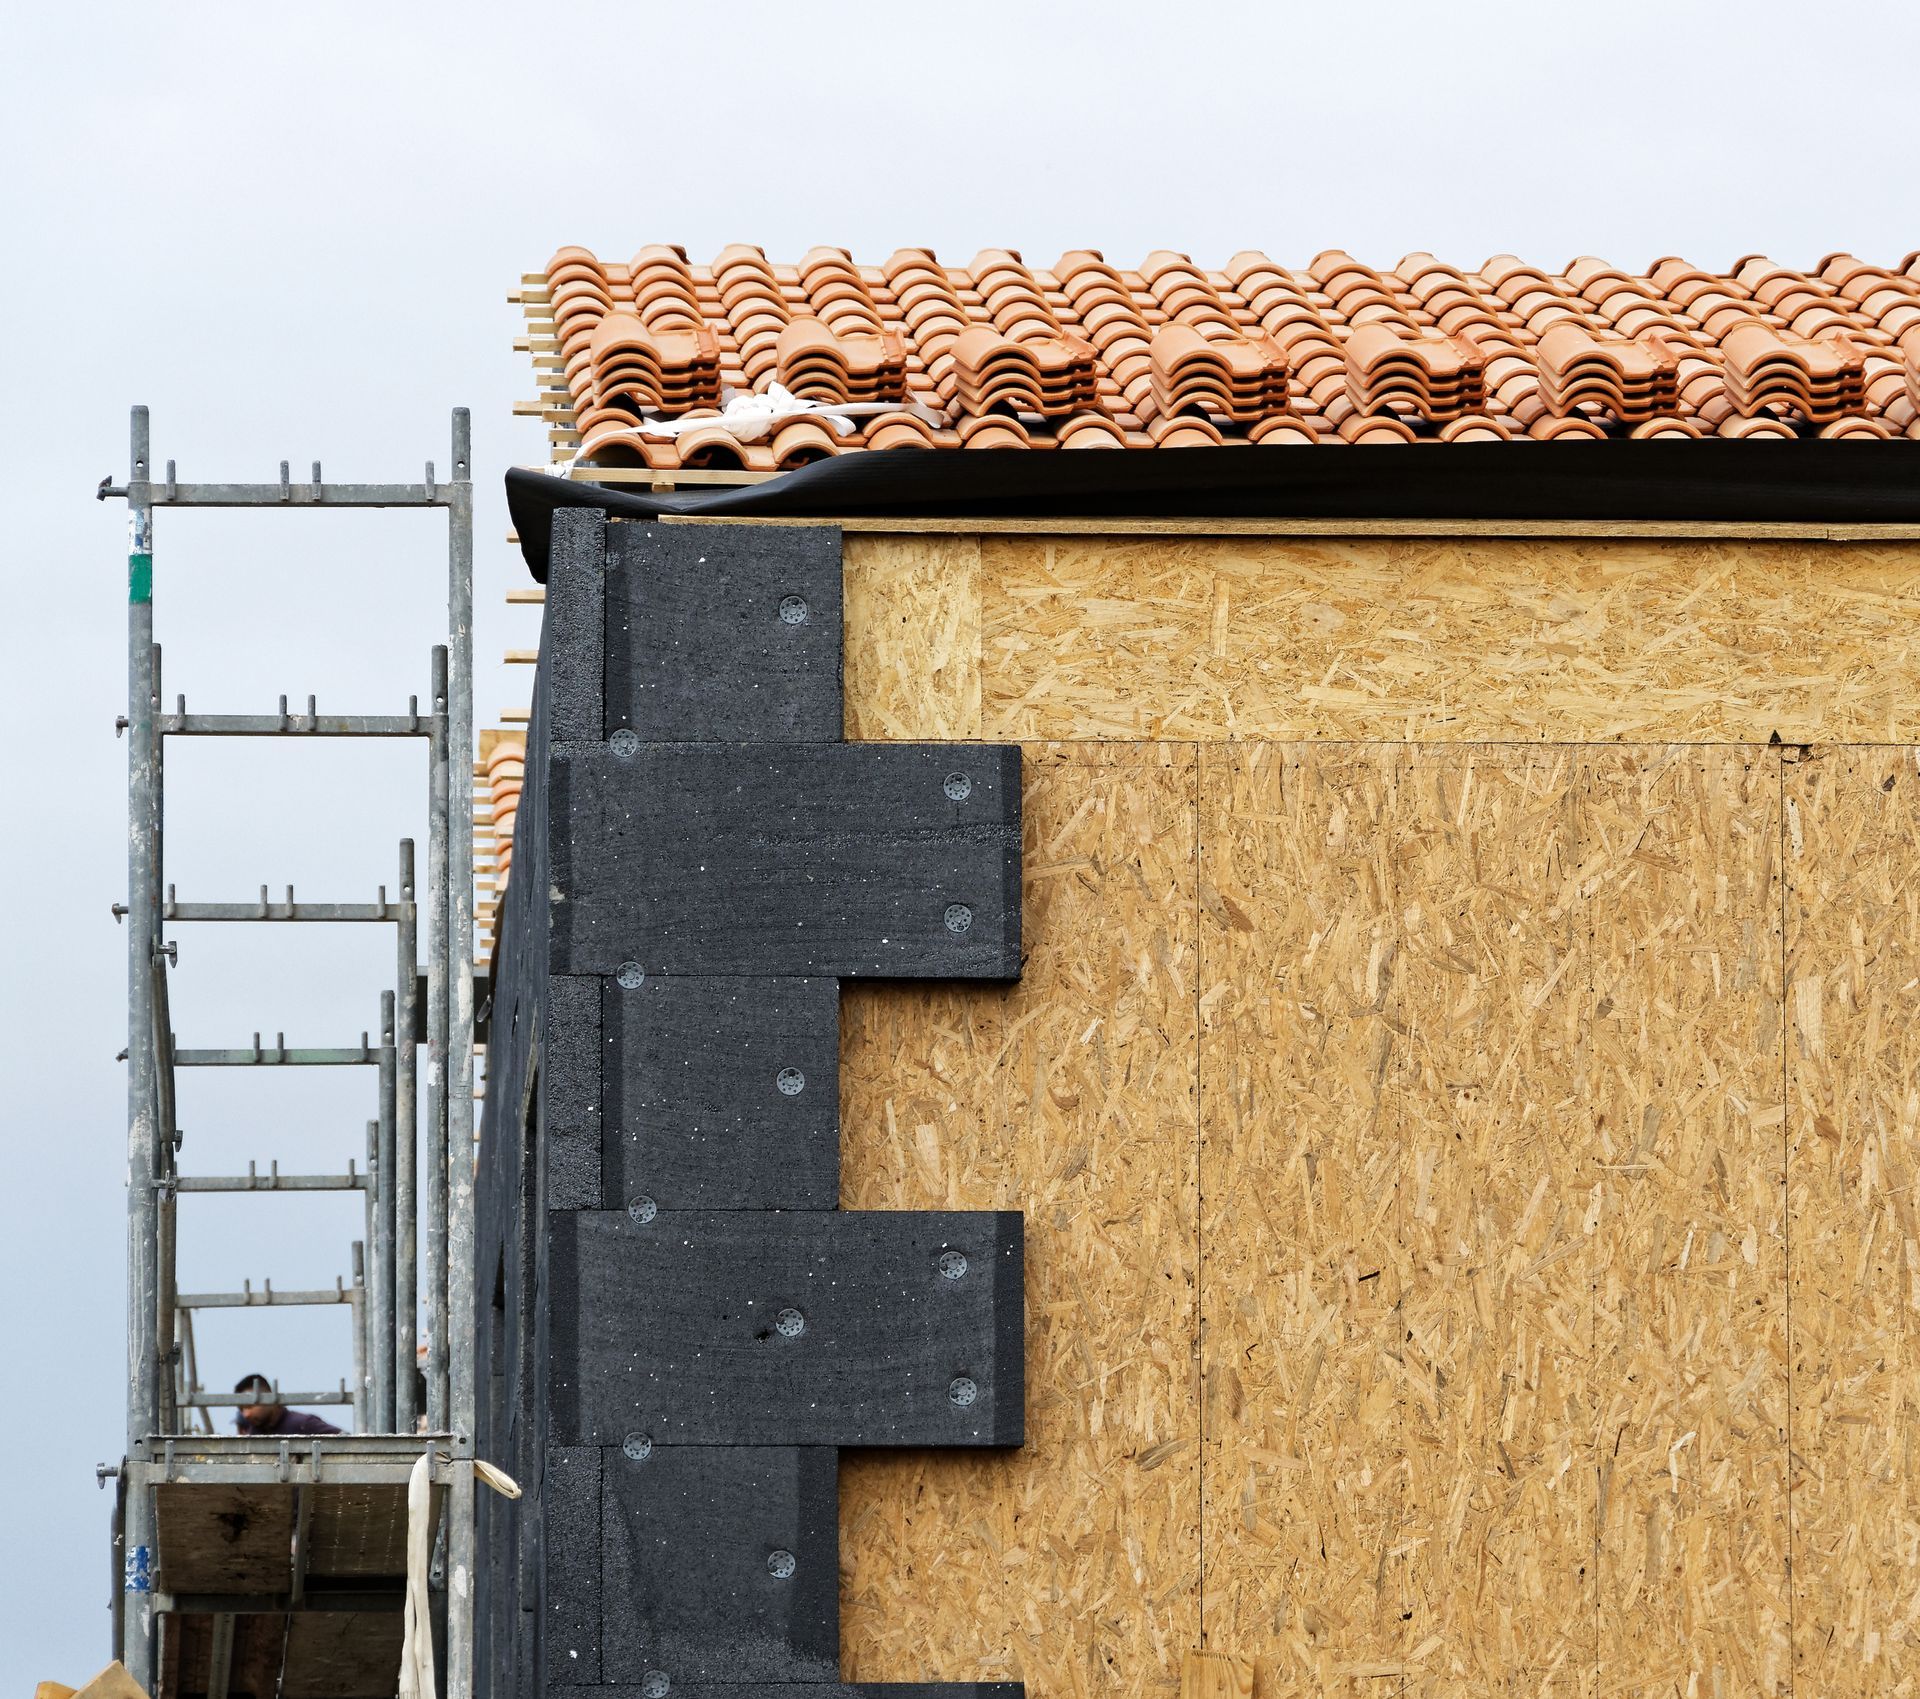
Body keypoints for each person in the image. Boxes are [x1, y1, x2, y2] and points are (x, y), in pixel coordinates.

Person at [232, 1373, 343, 1436]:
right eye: (241, 1409)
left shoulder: (302, 1424)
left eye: (250, 1406)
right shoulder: (254, 1432)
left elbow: (348, 1442)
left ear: (269, 1397)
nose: (246, 1414)